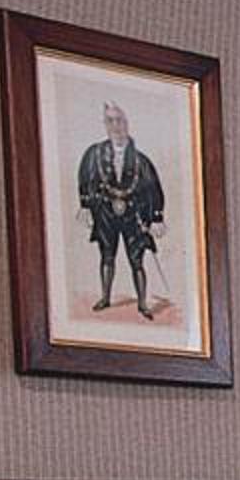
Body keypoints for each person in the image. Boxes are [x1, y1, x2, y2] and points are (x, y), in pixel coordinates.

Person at [75, 102, 165, 318]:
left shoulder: (142, 161)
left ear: (127, 123)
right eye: (110, 121)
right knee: (107, 256)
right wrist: (85, 205)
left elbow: (154, 188)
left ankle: (142, 304)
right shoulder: (93, 154)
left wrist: (156, 217)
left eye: (119, 120)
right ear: (105, 124)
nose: (115, 126)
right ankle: (105, 298)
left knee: (137, 260)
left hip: (134, 215)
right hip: (105, 213)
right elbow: (84, 178)